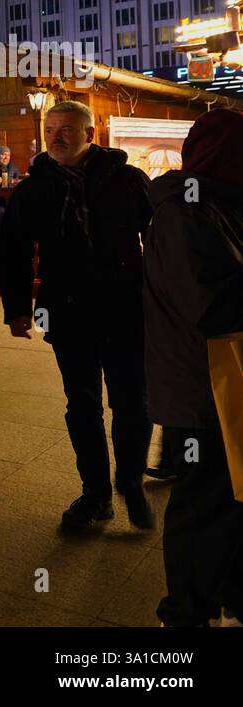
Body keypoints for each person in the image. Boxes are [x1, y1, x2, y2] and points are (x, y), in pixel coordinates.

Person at [0, 100, 155, 532]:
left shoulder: (126, 180)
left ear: (89, 134)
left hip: (125, 307)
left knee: (131, 400)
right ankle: (96, 494)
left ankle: (130, 481)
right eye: (50, 129)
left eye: (66, 129)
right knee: (81, 403)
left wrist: (161, 298)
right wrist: (16, 309)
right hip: (66, 310)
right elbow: (13, 251)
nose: (56, 136)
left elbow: (157, 238)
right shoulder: (34, 188)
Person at [143, 109, 243, 627]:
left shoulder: (219, 207)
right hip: (201, 390)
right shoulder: (186, 214)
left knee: (231, 500)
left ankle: (231, 594)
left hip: (225, 386)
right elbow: (209, 304)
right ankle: (183, 613)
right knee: (203, 503)